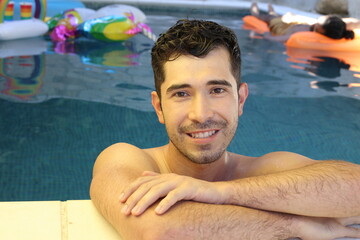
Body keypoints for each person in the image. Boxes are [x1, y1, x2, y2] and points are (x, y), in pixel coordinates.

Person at [90, 19, 360, 240]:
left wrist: (221, 192)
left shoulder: (263, 170)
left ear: (240, 99)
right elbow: (162, 230)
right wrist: (293, 224)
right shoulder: (125, 159)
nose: (201, 114)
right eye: (181, 94)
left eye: (217, 90)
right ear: (159, 107)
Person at [250, 2, 355, 42]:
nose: (315, 22)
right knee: (277, 16)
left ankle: (255, 10)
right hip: (289, 24)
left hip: (279, 27)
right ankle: (272, 12)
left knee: (265, 17)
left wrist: (265, 33)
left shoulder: (300, 35)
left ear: (320, 30)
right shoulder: (315, 28)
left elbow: (274, 38)